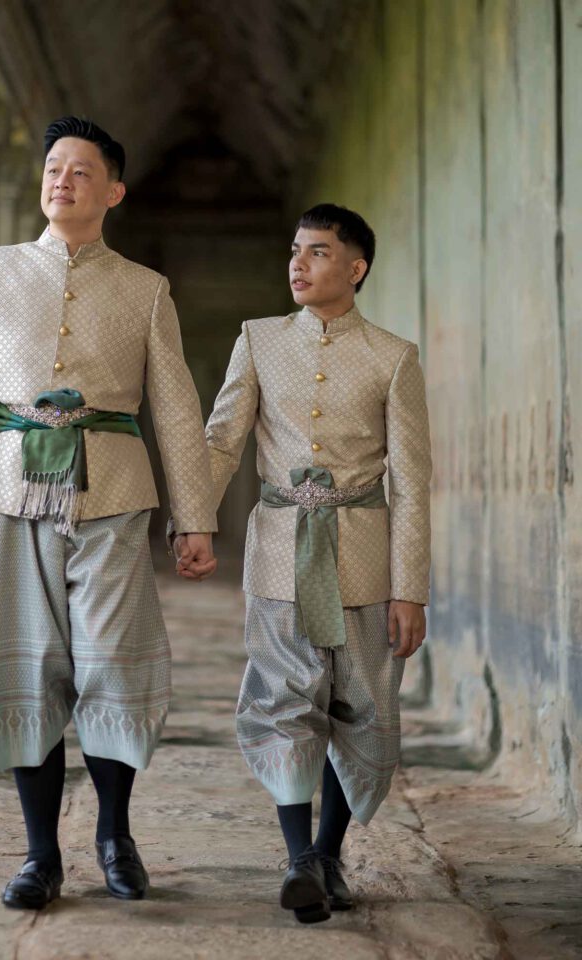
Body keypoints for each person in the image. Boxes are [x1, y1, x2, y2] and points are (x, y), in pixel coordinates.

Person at [0, 116, 218, 910]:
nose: (62, 179)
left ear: (113, 191)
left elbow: (177, 409)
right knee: (25, 664)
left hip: (113, 495)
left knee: (111, 665)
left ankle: (115, 834)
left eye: (81, 170)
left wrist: (195, 517)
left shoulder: (145, 288)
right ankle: (38, 854)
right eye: (54, 167)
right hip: (5, 488)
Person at [182, 203, 431, 923]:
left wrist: (409, 588)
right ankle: (298, 860)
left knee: (357, 707)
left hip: (362, 555)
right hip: (280, 547)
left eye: (318, 252)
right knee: (284, 701)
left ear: (354, 269)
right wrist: (193, 518)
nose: (298, 264)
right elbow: (222, 438)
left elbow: (411, 479)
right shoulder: (257, 340)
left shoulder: (393, 357)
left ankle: (328, 853)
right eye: (295, 250)